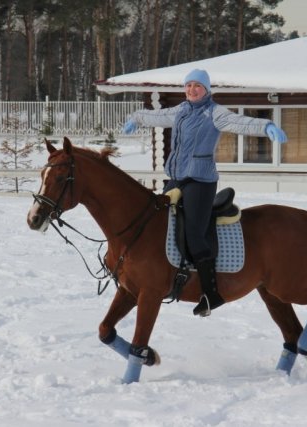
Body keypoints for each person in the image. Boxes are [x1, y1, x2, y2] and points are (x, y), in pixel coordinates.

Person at [122, 69, 287, 317]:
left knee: (194, 232)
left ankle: (211, 293)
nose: (192, 90)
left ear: (207, 89)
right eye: (188, 86)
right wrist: (137, 118)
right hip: (176, 178)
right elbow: (157, 116)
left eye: (197, 86)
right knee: (157, 220)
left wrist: (267, 127)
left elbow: (239, 122)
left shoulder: (215, 113)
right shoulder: (181, 110)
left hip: (200, 181)